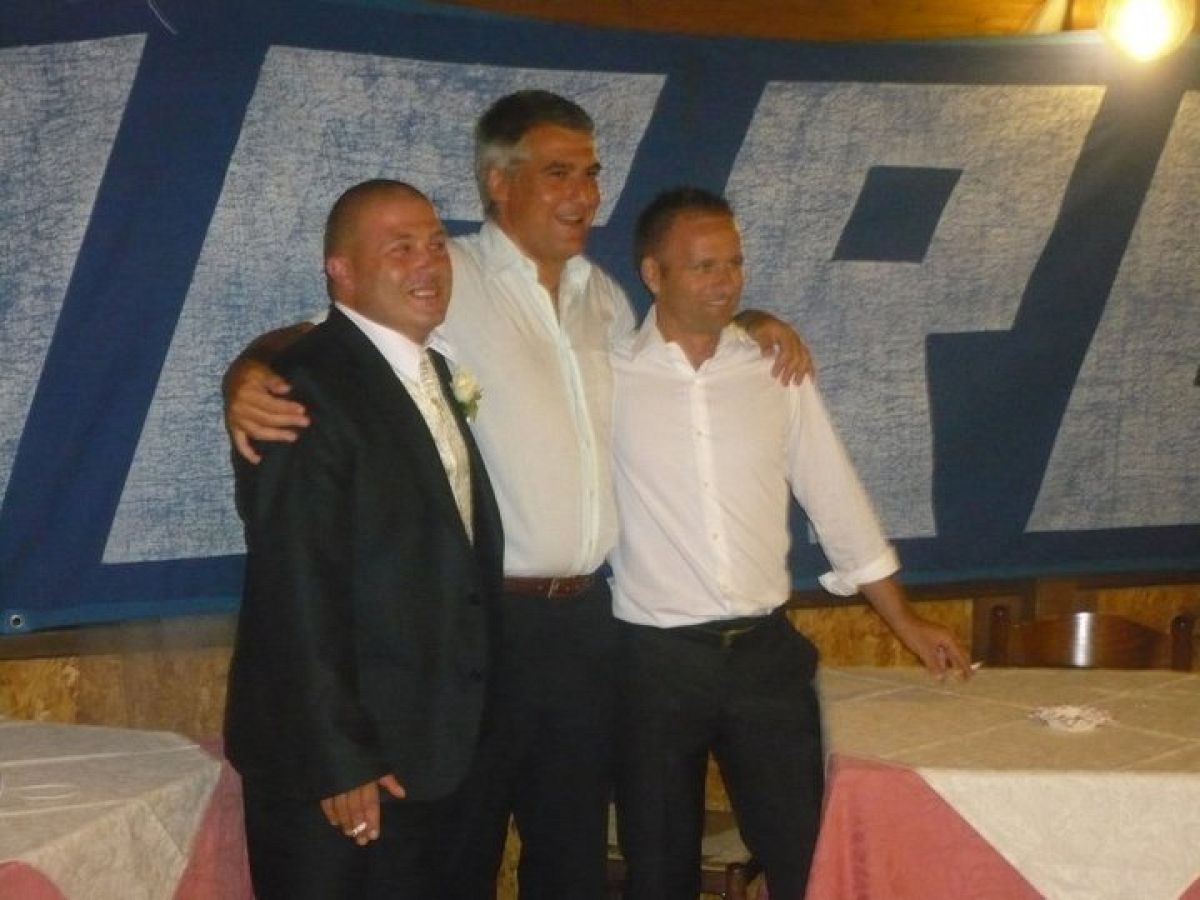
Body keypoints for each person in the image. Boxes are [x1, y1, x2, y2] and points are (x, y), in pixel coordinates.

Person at [223, 91, 810, 898]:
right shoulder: (448, 275)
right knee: (462, 852)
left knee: (571, 854)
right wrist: (246, 375)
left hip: (591, 623)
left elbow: (680, 355)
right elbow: (331, 339)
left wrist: (758, 323)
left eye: (592, 174)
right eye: (558, 173)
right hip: (484, 628)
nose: (584, 194)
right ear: (498, 183)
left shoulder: (606, 297)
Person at [609, 187, 973, 900]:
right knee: (657, 872)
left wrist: (905, 621)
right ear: (653, 274)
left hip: (764, 657)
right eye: (704, 266)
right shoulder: (605, 372)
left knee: (806, 859)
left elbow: (835, 496)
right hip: (653, 664)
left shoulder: (774, 369)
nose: (726, 282)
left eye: (734, 264)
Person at [224, 179, 505, 899]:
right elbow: (294, 587)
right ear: (340, 271)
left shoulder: (432, 369)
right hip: (349, 769)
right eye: (400, 248)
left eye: (436, 245)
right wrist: (340, 760)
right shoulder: (300, 387)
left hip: (437, 749)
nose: (428, 263)